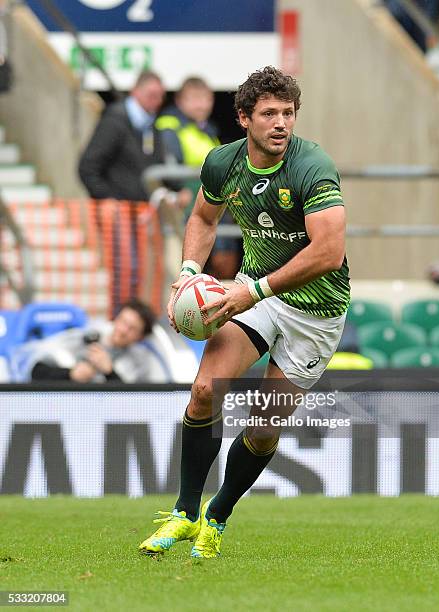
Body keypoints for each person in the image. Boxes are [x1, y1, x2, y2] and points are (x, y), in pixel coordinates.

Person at [139, 66, 350, 558]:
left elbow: (329, 252)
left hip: (315, 314)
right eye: (269, 114)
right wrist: (191, 267)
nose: (281, 123)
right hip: (256, 297)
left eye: (289, 113)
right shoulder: (222, 163)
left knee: (262, 424)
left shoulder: (312, 166)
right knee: (205, 389)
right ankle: (185, 513)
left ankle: (218, 515)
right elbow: (202, 217)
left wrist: (250, 291)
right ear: (243, 119)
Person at [78, 71, 190, 316]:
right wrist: (107, 200)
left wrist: (176, 189)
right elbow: (88, 167)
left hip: (141, 215)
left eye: (160, 96)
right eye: (151, 95)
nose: (156, 101)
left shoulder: (151, 126)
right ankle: (120, 319)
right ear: (135, 91)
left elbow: (156, 167)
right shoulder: (115, 120)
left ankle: (132, 322)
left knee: (139, 272)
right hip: (118, 214)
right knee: (125, 271)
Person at [156, 77, 242, 284]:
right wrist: (178, 189)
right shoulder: (168, 125)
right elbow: (168, 165)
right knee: (188, 261)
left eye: (206, 99)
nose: (201, 105)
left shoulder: (208, 129)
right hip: (187, 203)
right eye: (194, 99)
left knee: (224, 259)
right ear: (180, 100)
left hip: (216, 200)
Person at [29, 298, 157, 383]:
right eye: (123, 321)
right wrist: (71, 374)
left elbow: (132, 403)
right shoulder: (89, 336)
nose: (123, 330)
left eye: (132, 328)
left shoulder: (139, 363)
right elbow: (37, 372)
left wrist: (109, 372)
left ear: (140, 337)